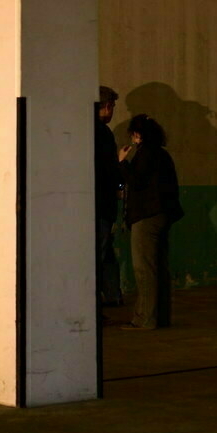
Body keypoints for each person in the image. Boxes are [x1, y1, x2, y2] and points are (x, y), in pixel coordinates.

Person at [118, 114, 183, 330]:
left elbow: (137, 181)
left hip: (146, 217)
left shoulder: (146, 154)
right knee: (158, 268)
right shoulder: (162, 154)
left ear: (138, 134)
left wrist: (122, 163)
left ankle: (145, 319)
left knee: (144, 269)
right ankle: (160, 317)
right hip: (162, 215)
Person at [96, 86, 124, 307]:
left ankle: (113, 295)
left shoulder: (83, 130)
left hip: (93, 204)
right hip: (102, 205)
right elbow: (109, 169)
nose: (112, 111)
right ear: (105, 106)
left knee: (104, 254)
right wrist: (120, 162)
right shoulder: (103, 133)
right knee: (100, 253)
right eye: (112, 106)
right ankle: (96, 302)